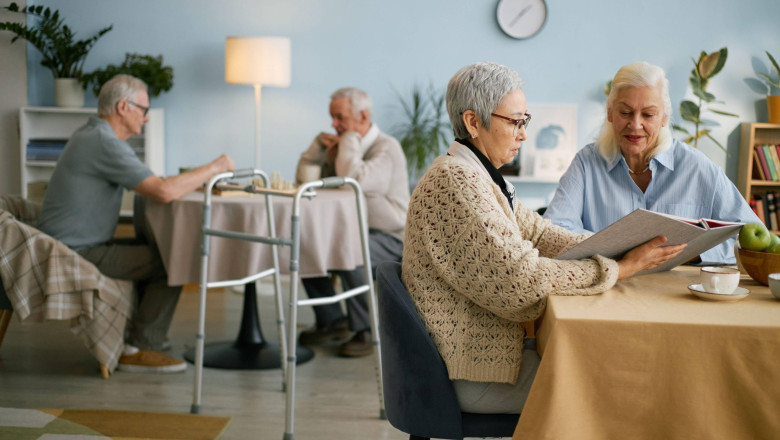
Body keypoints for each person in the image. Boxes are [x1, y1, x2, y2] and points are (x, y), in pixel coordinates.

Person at [402, 62, 685, 414]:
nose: (523, 134)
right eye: (515, 122)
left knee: (621, 368)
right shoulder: (457, 181)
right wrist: (618, 268)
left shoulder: (481, 175)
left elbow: (538, 233)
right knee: (624, 385)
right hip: (472, 374)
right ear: (473, 122)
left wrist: (621, 247)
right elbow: (521, 282)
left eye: (526, 121)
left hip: (485, 359)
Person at [37, 74, 235, 373]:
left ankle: (139, 336)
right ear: (122, 107)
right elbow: (163, 190)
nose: (147, 118)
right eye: (143, 110)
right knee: (172, 260)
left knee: (157, 252)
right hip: (73, 253)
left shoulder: (92, 135)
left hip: (69, 245)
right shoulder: (104, 142)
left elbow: (153, 184)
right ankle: (141, 347)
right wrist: (216, 167)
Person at [544, 61, 760, 264]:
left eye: (648, 115)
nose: (635, 124)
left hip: (677, 296)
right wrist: (624, 254)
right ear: (610, 113)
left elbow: (750, 239)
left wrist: (691, 253)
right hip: (608, 290)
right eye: (625, 112)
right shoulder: (586, 163)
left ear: (664, 117)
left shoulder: (698, 167)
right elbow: (554, 232)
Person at [295, 87, 410, 357]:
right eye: (332, 118)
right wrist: (316, 150)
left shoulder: (386, 147)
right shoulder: (339, 148)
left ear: (363, 116)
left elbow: (353, 182)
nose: (334, 125)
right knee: (306, 244)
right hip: (352, 232)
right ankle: (332, 320)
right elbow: (304, 181)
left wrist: (348, 141)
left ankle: (366, 329)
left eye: (340, 118)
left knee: (350, 250)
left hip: (392, 236)